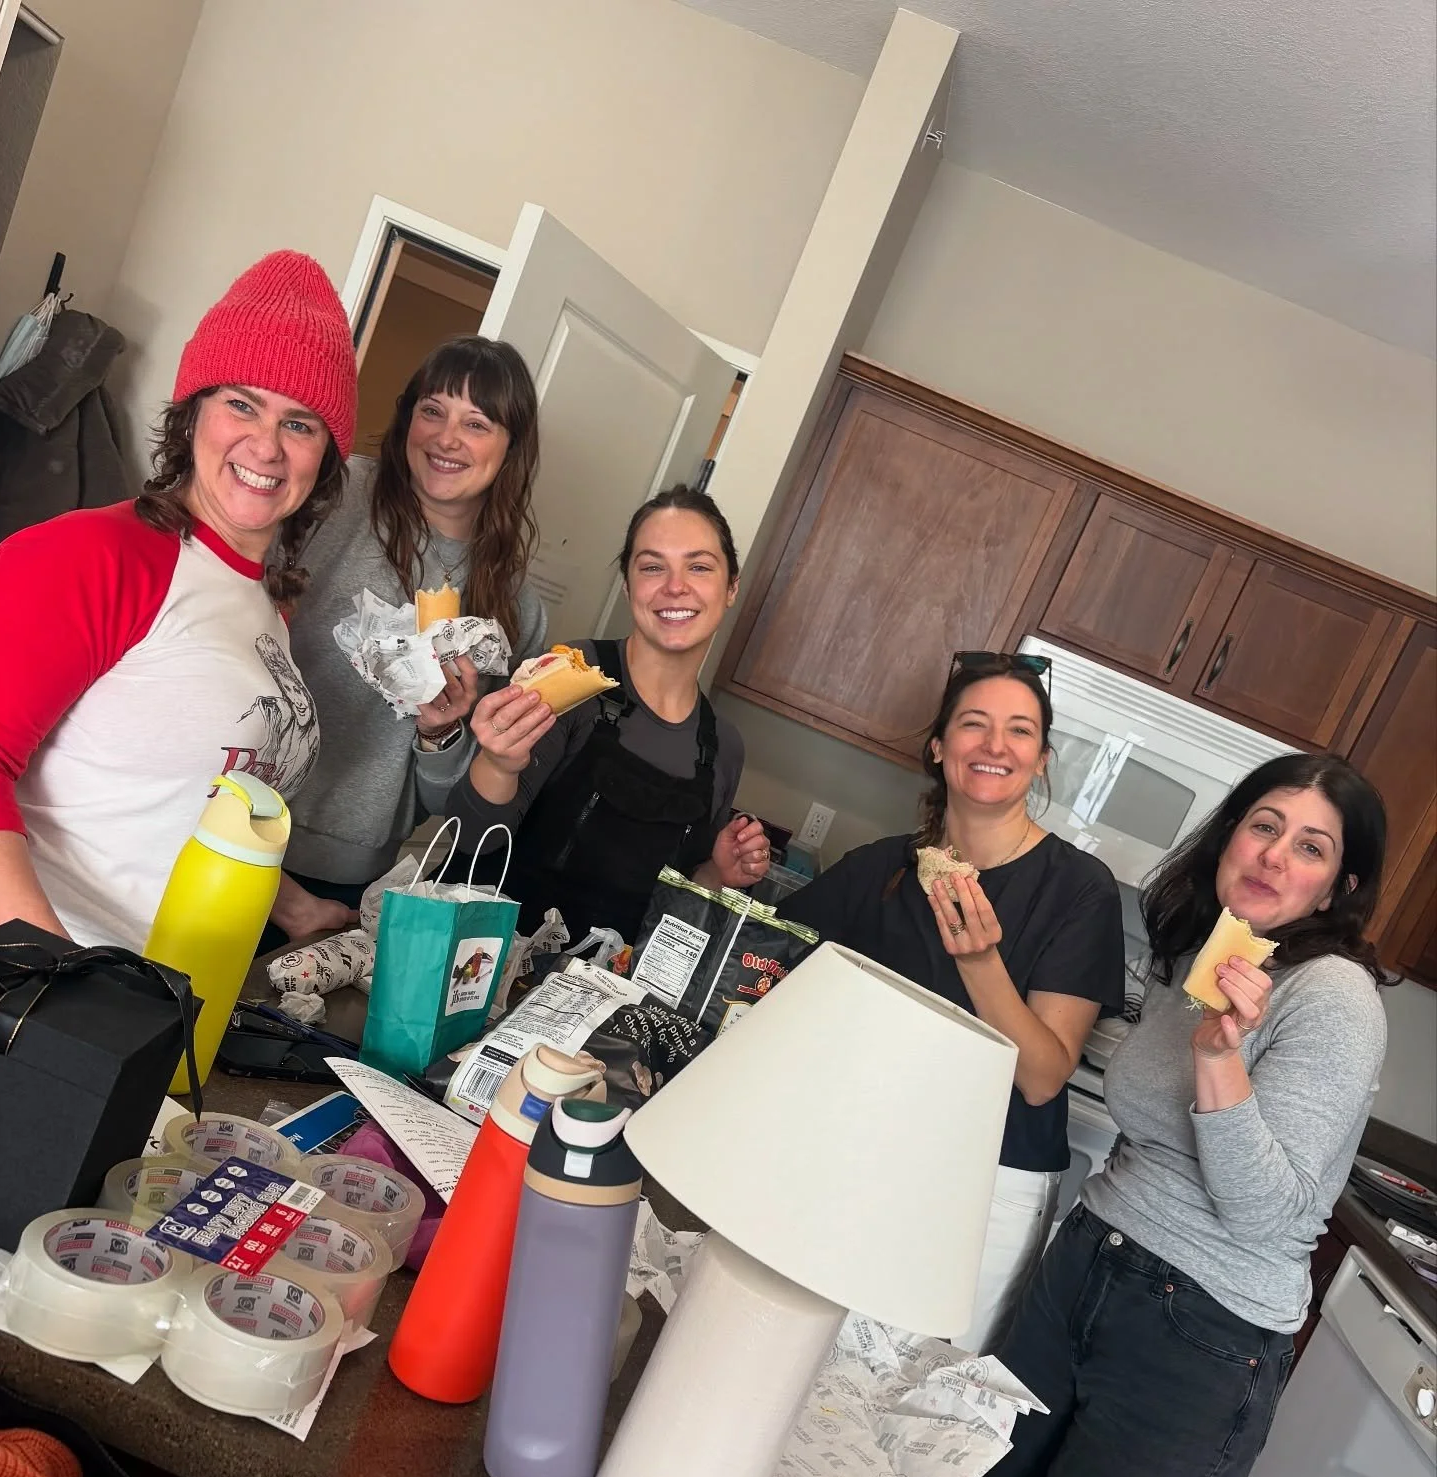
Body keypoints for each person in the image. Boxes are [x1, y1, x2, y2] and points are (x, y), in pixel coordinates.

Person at [975, 752, 1391, 1477]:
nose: (1276, 856)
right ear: (1229, 835)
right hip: (1086, 1274)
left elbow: (1267, 1211)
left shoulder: (1331, 997)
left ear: (1337, 888)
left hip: (1193, 1350)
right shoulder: (1208, 950)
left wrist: (1220, 1056)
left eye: (1311, 847)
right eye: (1265, 825)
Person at [0, 251, 356, 951]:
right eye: (242, 404)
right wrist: (61, 975)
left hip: (166, 993)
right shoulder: (97, 555)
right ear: (193, 416)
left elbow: (184, 799)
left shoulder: (263, 606)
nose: (266, 446)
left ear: (324, 459)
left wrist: (293, 907)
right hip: (45, 990)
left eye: (300, 424)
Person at [781, 651, 1128, 1352]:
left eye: (1020, 730)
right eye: (974, 724)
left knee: (904, 1392)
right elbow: (767, 961)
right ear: (940, 747)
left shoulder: (1079, 891)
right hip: (853, 1150)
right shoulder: (880, 868)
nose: (996, 745)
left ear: (1041, 759)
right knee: (798, 1355)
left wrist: (980, 962)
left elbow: (1041, 1077)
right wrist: (722, 878)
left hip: (985, 1188)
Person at [275, 337, 545, 939]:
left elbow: (453, 805)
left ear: (512, 448)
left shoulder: (515, 611)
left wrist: (439, 732)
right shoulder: (331, 493)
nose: (447, 439)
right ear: (407, 417)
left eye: (476, 423)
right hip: (225, 823)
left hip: (347, 881)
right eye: (432, 411)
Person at [447, 486, 769, 945]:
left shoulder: (722, 747)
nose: (675, 586)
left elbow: (671, 913)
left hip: (601, 983)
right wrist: (497, 764)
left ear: (731, 587)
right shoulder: (572, 674)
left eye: (699, 567)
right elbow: (473, 838)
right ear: (628, 585)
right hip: (481, 957)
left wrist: (717, 873)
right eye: (652, 567)